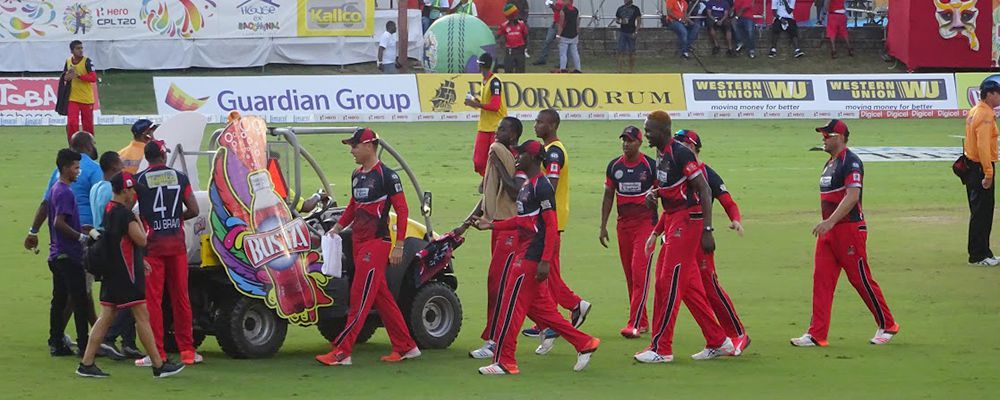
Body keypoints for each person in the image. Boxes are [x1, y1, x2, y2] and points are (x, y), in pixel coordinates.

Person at [473, 140, 600, 375]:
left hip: (530, 257)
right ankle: (585, 343)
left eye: (521, 155)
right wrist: (492, 226)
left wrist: (545, 260)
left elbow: (550, 226)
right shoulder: (527, 186)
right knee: (541, 311)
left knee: (510, 307)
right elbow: (523, 221)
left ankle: (506, 361)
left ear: (532, 158)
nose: (517, 158)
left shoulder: (541, 187)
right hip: (526, 253)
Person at [634, 110, 735, 364]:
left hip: (688, 222)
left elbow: (703, 187)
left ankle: (662, 349)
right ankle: (718, 340)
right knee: (686, 286)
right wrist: (654, 195)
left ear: (663, 131)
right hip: (674, 220)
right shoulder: (660, 154)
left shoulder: (681, 152)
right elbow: (670, 187)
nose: (646, 134)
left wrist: (708, 230)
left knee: (668, 283)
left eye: (649, 130)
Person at [316, 128, 421, 366]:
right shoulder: (356, 174)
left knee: (359, 296)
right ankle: (406, 346)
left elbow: (402, 210)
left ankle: (342, 351)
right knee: (381, 297)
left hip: (377, 244)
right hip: (359, 243)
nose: (351, 151)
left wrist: (399, 245)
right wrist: (337, 228)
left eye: (354, 146)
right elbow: (354, 205)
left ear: (368, 145)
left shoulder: (387, 176)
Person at [791, 120, 899, 347]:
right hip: (829, 232)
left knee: (860, 279)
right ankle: (816, 333)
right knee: (821, 281)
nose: (823, 138)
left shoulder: (851, 162)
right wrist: (828, 224)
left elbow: (852, 196)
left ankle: (887, 324)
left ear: (839, 136)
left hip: (849, 231)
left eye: (827, 135)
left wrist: (829, 222)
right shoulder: (830, 163)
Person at [75, 172, 185, 379]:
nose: (135, 193)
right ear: (124, 190)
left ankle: (87, 363)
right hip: (127, 274)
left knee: (105, 317)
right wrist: (136, 218)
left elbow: (118, 242)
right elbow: (142, 240)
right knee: (142, 317)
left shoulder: (109, 209)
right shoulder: (125, 215)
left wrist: (138, 259)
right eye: (132, 189)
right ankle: (158, 365)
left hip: (113, 272)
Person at [673, 129, 750, 353]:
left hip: (700, 239)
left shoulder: (707, 174)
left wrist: (735, 220)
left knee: (710, 287)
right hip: (680, 238)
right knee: (688, 290)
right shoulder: (676, 171)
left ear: (695, 148)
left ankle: (738, 334)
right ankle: (716, 340)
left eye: (683, 144)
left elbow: (728, 202)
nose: (678, 147)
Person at [522, 109, 592, 353]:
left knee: (547, 273)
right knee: (547, 274)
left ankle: (571, 308)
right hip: (550, 217)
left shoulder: (553, 152)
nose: (535, 125)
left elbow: (549, 186)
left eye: (540, 122)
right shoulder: (551, 150)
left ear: (551, 126)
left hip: (550, 219)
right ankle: (549, 320)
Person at [25, 132, 102, 349]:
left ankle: (59, 338)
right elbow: (100, 198)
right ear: (87, 145)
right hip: (82, 239)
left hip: (58, 244)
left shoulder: (56, 176)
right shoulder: (93, 170)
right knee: (79, 292)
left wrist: (33, 231)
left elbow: (45, 204)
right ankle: (92, 338)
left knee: (67, 294)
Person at [133, 140, 202, 366]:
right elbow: (194, 209)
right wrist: (176, 219)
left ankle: (158, 353)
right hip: (177, 245)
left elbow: (126, 205)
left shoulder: (140, 180)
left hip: (152, 246)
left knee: (153, 301)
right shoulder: (180, 178)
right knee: (181, 298)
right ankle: (188, 351)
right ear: (163, 155)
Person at [460, 117, 523, 359]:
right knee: (519, 290)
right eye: (497, 129)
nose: (498, 133)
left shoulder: (503, 154)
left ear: (514, 136)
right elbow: (487, 196)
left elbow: (515, 192)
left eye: (504, 129)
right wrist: (465, 224)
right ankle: (557, 325)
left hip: (509, 230)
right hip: (497, 228)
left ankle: (495, 340)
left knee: (498, 285)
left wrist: (497, 163)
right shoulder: (499, 155)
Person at [599, 126, 657, 338]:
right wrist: (603, 225)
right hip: (623, 225)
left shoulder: (650, 166)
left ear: (639, 143)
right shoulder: (614, 166)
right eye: (623, 140)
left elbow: (663, 194)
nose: (626, 143)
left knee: (639, 271)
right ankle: (642, 322)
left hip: (645, 224)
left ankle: (633, 323)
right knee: (631, 276)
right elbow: (608, 196)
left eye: (630, 140)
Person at [88, 152, 143, 360]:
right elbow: (115, 219)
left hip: (101, 244)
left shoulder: (96, 188)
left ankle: (128, 342)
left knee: (122, 302)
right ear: (113, 168)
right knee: (127, 300)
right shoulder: (111, 194)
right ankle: (109, 339)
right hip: (116, 247)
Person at [37, 149, 92, 356]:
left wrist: (81, 228)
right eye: (76, 168)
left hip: (56, 254)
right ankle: (85, 346)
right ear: (66, 168)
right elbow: (59, 223)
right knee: (80, 301)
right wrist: (80, 237)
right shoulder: (65, 192)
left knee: (59, 300)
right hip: (68, 254)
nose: (78, 171)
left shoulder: (55, 189)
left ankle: (56, 342)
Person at [962, 79, 1000, 266]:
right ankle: (978, 255)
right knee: (982, 212)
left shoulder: (976, 110)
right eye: (998, 93)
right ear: (991, 94)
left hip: (972, 166)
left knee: (980, 211)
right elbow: (983, 146)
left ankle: (984, 252)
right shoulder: (985, 115)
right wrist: (988, 173)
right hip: (980, 167)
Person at [465, 53, 508, 177]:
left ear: (480, 66)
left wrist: (477, 105)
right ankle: (488, 180)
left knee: (495, 161)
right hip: (484, 126)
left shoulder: (495, 82)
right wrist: (474, 103)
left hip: (497, 127)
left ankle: (492, 183)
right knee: (478, 163)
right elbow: (486, 105)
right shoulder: (485, 81)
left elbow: (495, 107)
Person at [61, 40, 97, 142]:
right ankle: (73, 144)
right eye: (78, 48)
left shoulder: (87, 61)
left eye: (81, 48)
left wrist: (79, 76)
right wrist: (66, 77)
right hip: (73, 98)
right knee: (72, 123)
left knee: (88, 125)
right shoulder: (68, 61)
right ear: (72, 51)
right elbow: (65, 76)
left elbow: (93, 78)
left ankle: (89, 145)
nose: (80, 50)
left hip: (86, 99)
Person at [496, 4, 529, 73]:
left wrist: (524, 47)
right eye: (514, 15)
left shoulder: (521, 24)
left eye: (516, 14)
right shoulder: (504, 26)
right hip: (510, 51)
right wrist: (502, 45)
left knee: (520, 69)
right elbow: (498, 36)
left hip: (520, 50)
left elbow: (525, 36)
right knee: (508, 69)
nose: (516, 16)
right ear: (509, 16)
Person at [533, 0, 565, 66]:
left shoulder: (564, 2)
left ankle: (563, 62)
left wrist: (553, 6)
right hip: (555, 24)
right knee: (547, 41)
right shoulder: (557, 1)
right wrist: (553, 7)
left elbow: (561, 9)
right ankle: (542, 59)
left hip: (561, 25)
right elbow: (557, 11)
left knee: (562, 44)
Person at [614, 0, 642, 73]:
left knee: (632, 52)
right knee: (620, 51)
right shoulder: (620, 8)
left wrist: (636, 32)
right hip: (623, 32)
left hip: (632, 32)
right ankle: (619, 70)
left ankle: (631, 70)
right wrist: (621, 22)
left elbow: (639, 21)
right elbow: (617, 20)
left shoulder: (636, 9)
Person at [557, 0, 582, 73]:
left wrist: (558, 35)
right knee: (575, 53)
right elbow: (577, 23)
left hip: (564, 35)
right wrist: (577, 33)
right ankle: (578, 68)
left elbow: (561, 24)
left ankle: (563, 68)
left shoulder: (563, 11)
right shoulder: (576, 10)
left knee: (563, 54)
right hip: (574, 34)